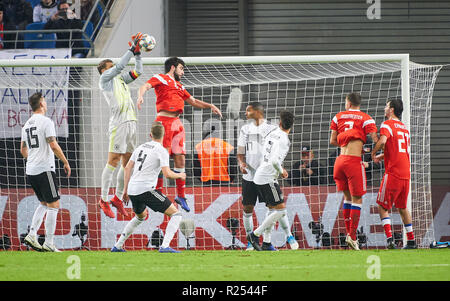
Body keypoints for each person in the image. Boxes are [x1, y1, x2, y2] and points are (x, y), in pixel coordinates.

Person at [137, 57, 222, 212]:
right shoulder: (160, 78)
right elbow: (145, 85)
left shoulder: (180, 86)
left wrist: (210, 106)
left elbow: (194, 101)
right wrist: (140, 95)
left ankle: (181, 196)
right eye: (181, 69)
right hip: (164, 122)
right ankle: (158, 192)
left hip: (177, 124)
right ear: (172, 67)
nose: (182, 72)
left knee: (180, 159)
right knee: (160, 159)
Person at [111, 122, 186, 253]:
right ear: (163, 135)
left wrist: (125, 190)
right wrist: (180, 175)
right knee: (176, 214)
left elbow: (127, 167)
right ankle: (165, 246)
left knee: (140, 216)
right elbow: (167, 174)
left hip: (133, 190)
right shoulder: (161, 150)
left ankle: (117, 246)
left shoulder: (140, 148)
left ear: (150, 135)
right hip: (146, 189)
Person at [238, 103, 298, 251]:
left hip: (265, 173)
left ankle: (267, 241)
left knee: (274, 207)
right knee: (254, 209)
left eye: (248, 110)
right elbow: (241, 151)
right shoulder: (245, 129)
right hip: (256, 175)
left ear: (257, 112)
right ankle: (253, 239)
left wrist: (278, 167)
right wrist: (241, 163)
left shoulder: (272, 129)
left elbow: (272, 152)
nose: (246, 113)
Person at [97, 33, 144, 219]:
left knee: (127, 163)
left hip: (131, 121)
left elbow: (138, 72)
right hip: (118, 124)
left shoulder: (121, 80)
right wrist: (132, 48)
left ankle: (117, 198)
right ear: (105, 70)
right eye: (111, 66)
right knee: (113, 161)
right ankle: (103, 199)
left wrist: (138, 54)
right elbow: (120, 67)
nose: (115, 68)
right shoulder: (105, 80)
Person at [20, 92, 71, 252]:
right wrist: (65, 161)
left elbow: (22, 149)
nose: (46, 104)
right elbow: (53, 145)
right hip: (44, 168)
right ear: (41, 104)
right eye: (45, 101)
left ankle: (32, 234)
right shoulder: (46, 121)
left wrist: (33, 159)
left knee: (44, 203)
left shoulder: (27, 124)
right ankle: (49, 242)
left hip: (31, 169)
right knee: (54, 204)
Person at [329, 92, 378, 250]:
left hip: (340, 162)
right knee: (357, 200)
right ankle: (352, 236)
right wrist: (371, 151)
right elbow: (376, 139)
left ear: (348, 103)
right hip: (353, 162)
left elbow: (332, 141)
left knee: (347, 198)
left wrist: (347, 144)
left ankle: (349, 235)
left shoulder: (338, 117)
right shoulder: (366, 118)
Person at [372, 98, 417, 249]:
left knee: (382, 206)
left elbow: (383, 141)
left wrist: (373, 153)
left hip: (393, 172)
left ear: (391, 109)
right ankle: (411, 241)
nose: (384, 108)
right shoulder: (404, 128)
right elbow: (400, 149)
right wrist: (383, 156)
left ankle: (390, 240)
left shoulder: (387, 124)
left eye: (386, 106)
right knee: (402, 207)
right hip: (406, 172)